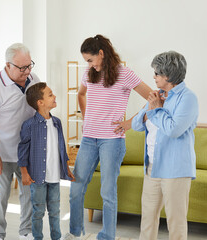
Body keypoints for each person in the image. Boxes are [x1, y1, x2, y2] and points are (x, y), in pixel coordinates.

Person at [64, 34, 152, 240]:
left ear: (101, 54)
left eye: (90, 60)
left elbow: (153, 98)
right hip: (88, 139)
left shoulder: (124, 74)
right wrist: (87, 118)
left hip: (112, 141)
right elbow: (81, 94)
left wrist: (130, 123)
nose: (89, 65)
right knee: (76, 188)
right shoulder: (89, 73)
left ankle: (107, 236)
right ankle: (75, 232)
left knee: (107, 192)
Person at [131, 51, 198, 240]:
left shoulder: (188, 98)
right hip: (152, 168)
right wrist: (150, 109)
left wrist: (156, 110)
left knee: (175, 222)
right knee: (147, 220)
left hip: (176, 170)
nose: (153, 77)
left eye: (157, 73)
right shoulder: (157, 96)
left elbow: (173, 129)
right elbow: (136, 125)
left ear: (168, 75)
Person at [0, 43, 40, 240]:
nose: (27, 71)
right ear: (8, 65)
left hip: (27, 151)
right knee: (0, 197)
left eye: (29, 65)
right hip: (3, 151)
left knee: (29, 194)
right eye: (22, 67)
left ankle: (26, 232)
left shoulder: (33, 80)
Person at [17, 82, 75, 240]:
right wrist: (24, 173)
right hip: (37, 176)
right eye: (50, 94)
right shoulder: (29, 125)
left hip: (54, 176)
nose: (54, 96)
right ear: (40, 102)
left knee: (55, 211)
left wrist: (67, 168)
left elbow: (62, 147)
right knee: (38, 211)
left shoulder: (57, 122)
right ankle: (37, 238)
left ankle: (56, 237)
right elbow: (22, 150)